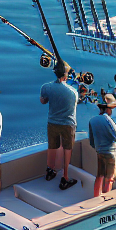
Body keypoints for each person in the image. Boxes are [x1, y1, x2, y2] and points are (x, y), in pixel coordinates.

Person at [40, 60, 78, 190]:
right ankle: (65, 177)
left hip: (52, 122)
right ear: (66, 75)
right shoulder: (73, 91)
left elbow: (43, 101)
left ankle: (49, 171)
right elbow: (74, 105)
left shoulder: (46, 87)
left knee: (52, 146)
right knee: (67, 149)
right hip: (68, 124)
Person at [88, 94, 116, 196]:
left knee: (100, 176)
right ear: (108, 109)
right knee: (110, 178)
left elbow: (92, 142)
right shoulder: (108, 120)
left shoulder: (92, 121)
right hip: (111, 153)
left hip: (100, 152)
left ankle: (96, 198)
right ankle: (105, 200)